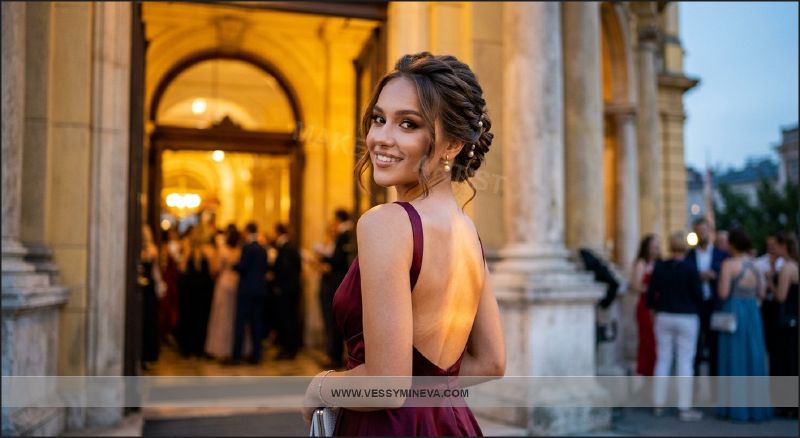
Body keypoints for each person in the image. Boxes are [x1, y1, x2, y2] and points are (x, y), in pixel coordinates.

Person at [301, 52, 505, 435]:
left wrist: (321, 386)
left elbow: (387, 387)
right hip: (451, 423)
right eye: (379, 119)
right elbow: (491, 362)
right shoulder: (468, 234)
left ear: (453, 144)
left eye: (407, 124)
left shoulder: (387, 223)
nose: (380, 137)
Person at [647, 231, 704, 421]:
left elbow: (651, 293)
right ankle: (684, 407)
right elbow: (699, 295)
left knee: (663, 359)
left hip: (664, 315)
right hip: (687, 317)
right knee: (685, 362)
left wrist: (654, 310)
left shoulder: (661, 266)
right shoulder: (690, 268)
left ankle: (658, 403)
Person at [716, 228, 771, 422]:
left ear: (732, 244)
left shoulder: (728, 265)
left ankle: (734, 407)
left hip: (734, 311)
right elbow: (762, 293)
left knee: (735, 357)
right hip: (753, 313)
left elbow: (722, 293)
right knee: (753, 357)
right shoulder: (756, 266)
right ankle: (756, 408)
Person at [685, 218, 728, 376]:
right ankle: (695, 390)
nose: (701, 234)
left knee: (715, 348)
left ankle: (714, 391)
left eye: (704, 230)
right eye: (698, 231)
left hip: (714, 304)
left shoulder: (721, 254)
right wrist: (697, 276)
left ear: (710, 231)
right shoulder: (689, 255)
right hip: (696, 305)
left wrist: (714, 275)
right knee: (694, 347)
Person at [205, 225, 251, 360]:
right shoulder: (240, 250)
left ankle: (221, 348)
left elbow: (216, 268)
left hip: (224, 282)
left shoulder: (222, 250)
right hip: (237, 282)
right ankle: (239, 348)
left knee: (222, 315)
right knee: (236, 316)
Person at [318, 209, 355, 369]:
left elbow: (338, 259)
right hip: (334, 281)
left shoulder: (345, 235)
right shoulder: (338, 236)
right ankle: (333, 353)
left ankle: (335, 355)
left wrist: (325, 257)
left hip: (336, 282)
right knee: (332, 321)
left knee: (335, 321)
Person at [176, 226, 217, 358]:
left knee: (189, 318)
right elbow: (213, 271)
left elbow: (181, 268)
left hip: (190, 290)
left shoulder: (188, 251)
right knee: (203, 318)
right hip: (204, 290)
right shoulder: (210, 251)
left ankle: (188, 347)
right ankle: (200, 347)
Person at [232, 222, 269, 364]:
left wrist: (234, 265)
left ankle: (237, 355)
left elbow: (243, 266)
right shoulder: (262, 248)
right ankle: (256, 355)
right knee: (257, 323)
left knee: (241, 322)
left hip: (247, 290)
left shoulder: (247, 247)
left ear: (247, 231)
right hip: (260, 289)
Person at [771, 231, 798, 417]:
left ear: (783, 246)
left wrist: (768, 281)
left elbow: (780, 296)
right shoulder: (794, 265)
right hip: (794, 318)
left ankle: (788, 405)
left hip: (787, 319)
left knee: (787, 362)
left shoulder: (787, 268)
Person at [269, 223, 303, 360]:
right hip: (292, 288)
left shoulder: (285, 248)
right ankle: (290, 348)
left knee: (286, 319)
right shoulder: (291, 247)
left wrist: (277, 283)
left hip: (286, 290)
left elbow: (285, 269)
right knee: (290, 318)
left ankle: (288, 349)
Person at [756, 232, 784, 377]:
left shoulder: (785, 263)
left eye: (774, 245)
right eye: (769, 245)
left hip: (781, 307)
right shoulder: (760, 263)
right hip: (766, 306)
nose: (772, 248)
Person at [631, 234, 660, 376]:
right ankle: (645, 372)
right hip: (645, 306)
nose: (656, 250)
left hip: (657, 307)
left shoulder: (660, 264)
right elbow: (636, 285)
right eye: (653, 247)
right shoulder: (641, 263)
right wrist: (652, 290)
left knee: (655, 341)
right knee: (647, 341)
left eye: (657, 247)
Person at [140, 225, 165, 369]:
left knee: (149, 320)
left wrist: (159, 285)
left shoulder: (152, 249)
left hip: (149, 289)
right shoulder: (136, 247)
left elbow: (155, 270)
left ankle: (148, 355)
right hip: (140, 288)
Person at [158, 228, 181, 345]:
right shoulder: (164, 250)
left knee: (167, 306)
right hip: (166, 280)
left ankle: (165, 332)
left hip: (169, 279)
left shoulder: (166, 249)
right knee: (165, 306)